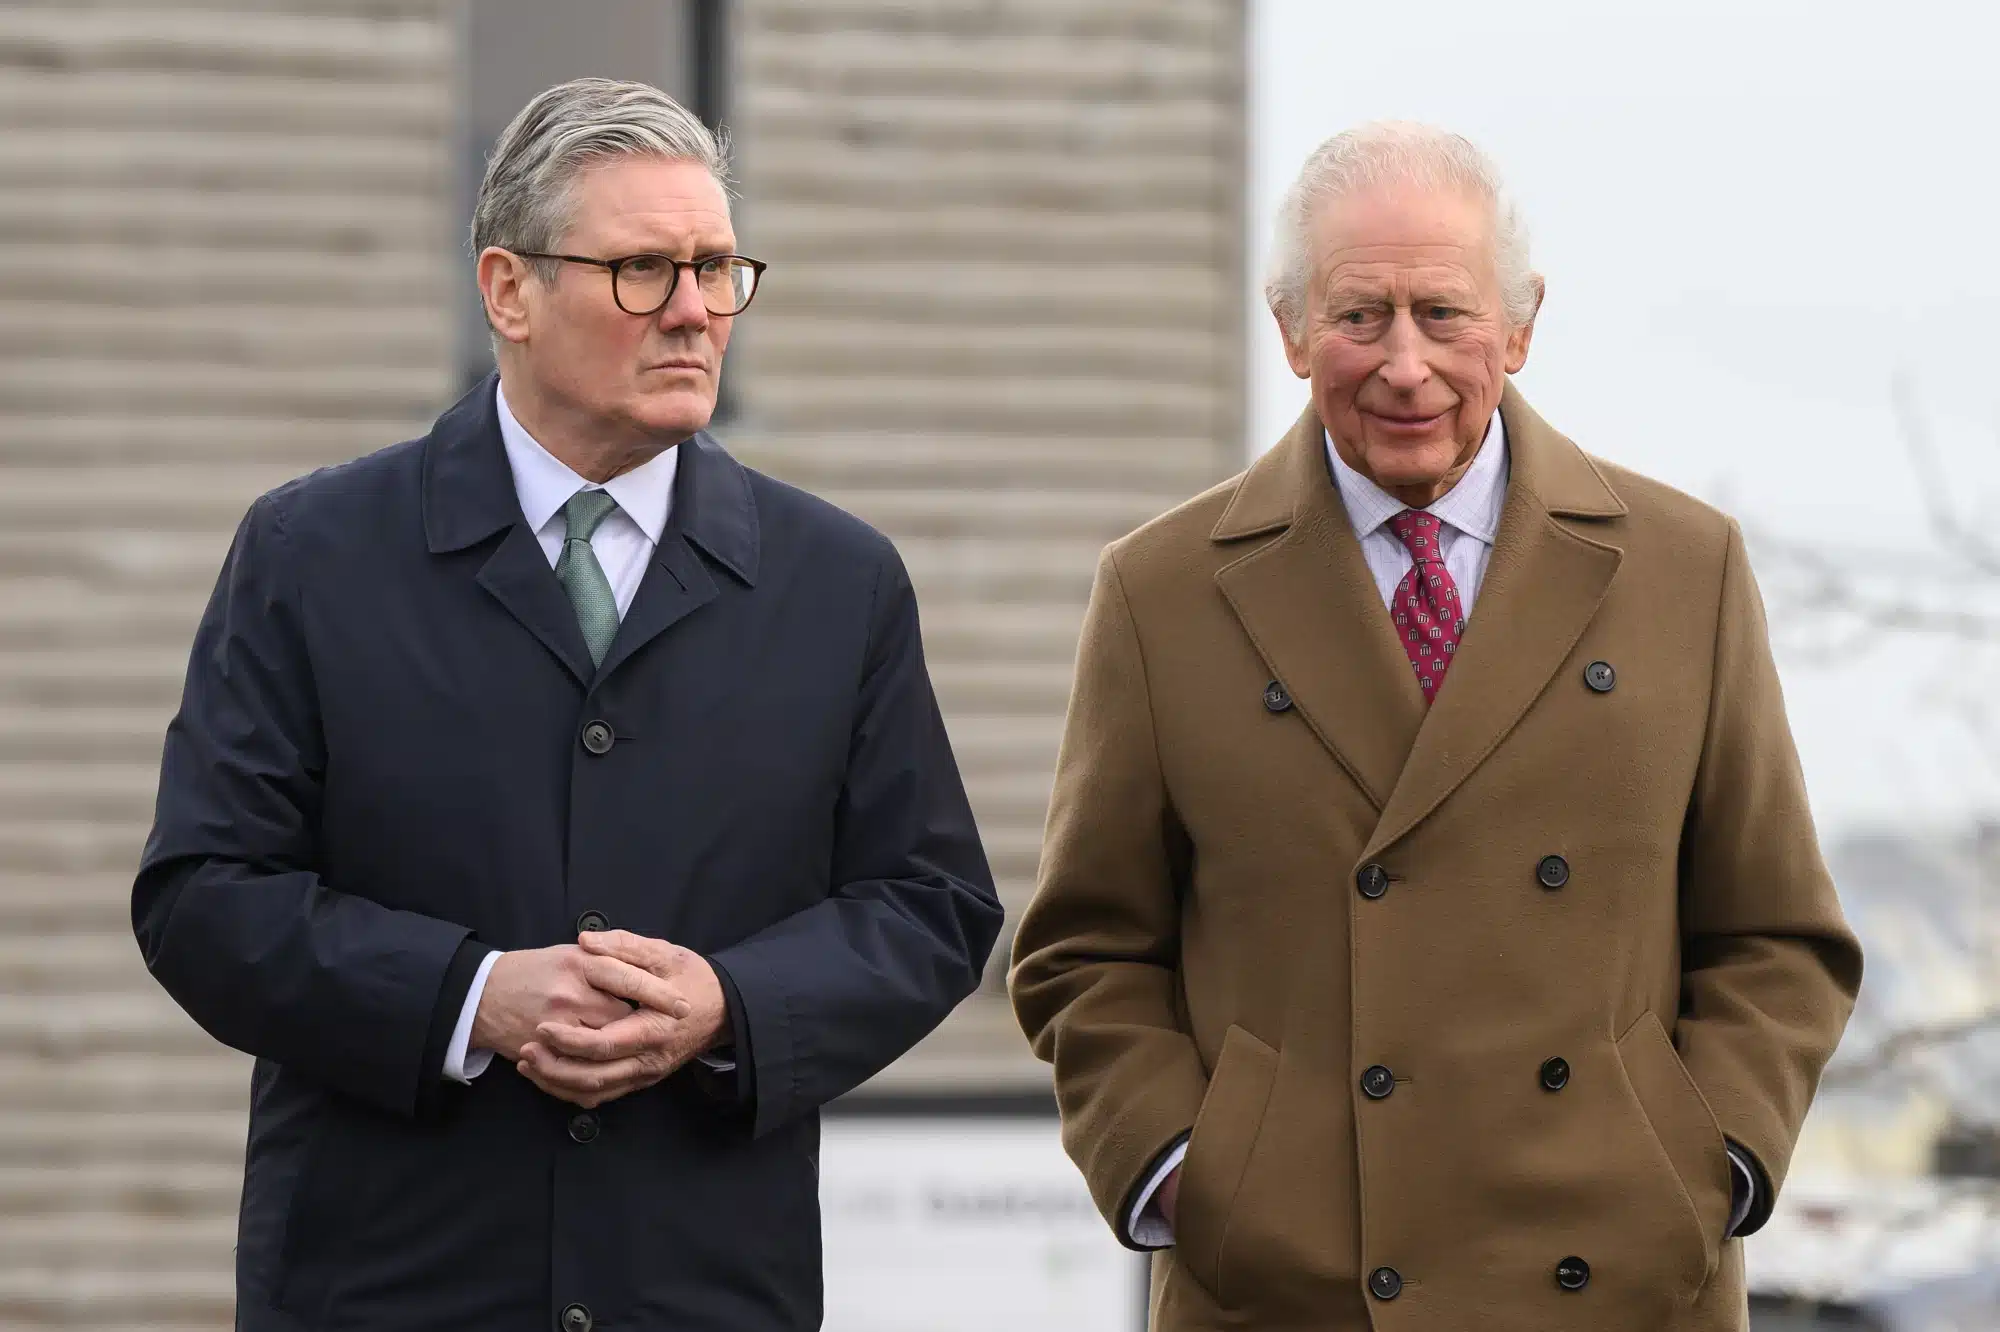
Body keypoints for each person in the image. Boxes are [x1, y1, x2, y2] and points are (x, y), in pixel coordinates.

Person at [134, 78, 1001, 1332]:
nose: (695, 313)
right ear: (507, 291)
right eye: (644, 269)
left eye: (717, 268)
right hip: (387, 1286)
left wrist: (727, 1009)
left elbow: (929, 910)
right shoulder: (312, 553)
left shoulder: (837, 581)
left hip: (702, 1289)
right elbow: (204, 896)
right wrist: (469, 994)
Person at [1009, 121, 1863, 1331]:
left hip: (1616, 1279)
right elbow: (1082, 953)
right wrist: (1184, 1177)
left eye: (1442, 314)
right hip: (1287, 1287)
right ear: (1291, 331)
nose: (1403, 363)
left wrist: (1701, 1163)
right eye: (1359, 316)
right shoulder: (1162, 590)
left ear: (1517, 327)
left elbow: (1777, 936)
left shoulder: (1683, 568)